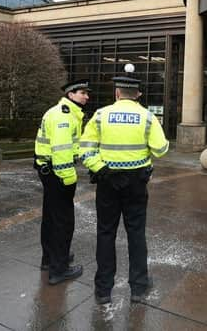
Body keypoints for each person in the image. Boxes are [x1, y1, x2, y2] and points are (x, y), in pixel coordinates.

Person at [80, 74, 169, 305]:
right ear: (138, 94)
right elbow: (161, 150)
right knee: (136, 233)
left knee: (106, 233)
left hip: (107, 182)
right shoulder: (148, 117)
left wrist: (103, 170)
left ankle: (103, 291)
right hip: (137, 182)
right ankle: (138, 288)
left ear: (117, 93)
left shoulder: (100, 115)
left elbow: (86, 150)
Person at [34, 79, 90, 285]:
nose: (86, 96)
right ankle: (59, 269)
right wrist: (69, 179)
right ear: (70, 95)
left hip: (49, 171)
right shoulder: (63, 116)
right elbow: (61, 150)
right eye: (82, 93)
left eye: (86, 93)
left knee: (51, 217)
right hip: (58, 174)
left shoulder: (66, 112)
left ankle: (49, 259)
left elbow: (72, 146)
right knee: (63, 222)